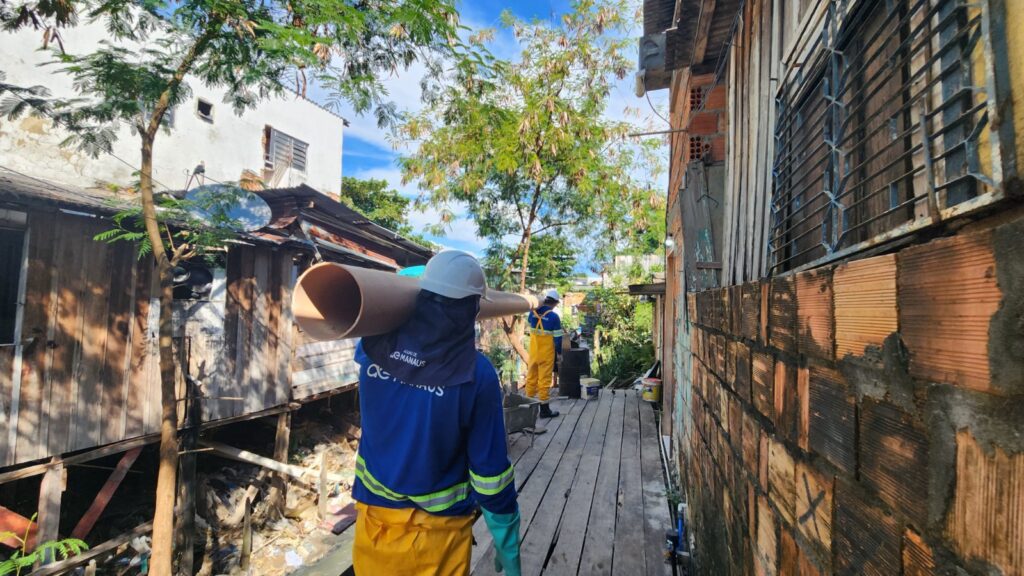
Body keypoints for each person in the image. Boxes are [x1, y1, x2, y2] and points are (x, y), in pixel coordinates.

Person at [352, 250, 522, 576]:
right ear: (473, 308)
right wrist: (506, 537)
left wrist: (423, 278)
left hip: (373, 529)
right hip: (436, 541)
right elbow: (490, 476)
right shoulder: (476, 374)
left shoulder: (372, 346)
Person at [524, 289, 563, 419]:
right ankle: (544, 411)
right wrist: (559, 353)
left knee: (531, 379)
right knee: (544, 381)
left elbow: (530, 322)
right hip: (546, 354)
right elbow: (558, 339)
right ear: (555, 303)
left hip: (534, 353)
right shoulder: (554, 317)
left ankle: (527, 409)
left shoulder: (532, 312)